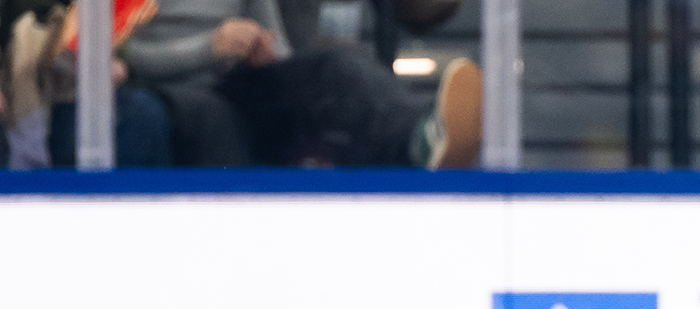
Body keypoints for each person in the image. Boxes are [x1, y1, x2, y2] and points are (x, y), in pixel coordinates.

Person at [119, 0, 478, 167]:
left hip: (237, 80)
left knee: (334, 71)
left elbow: (274, 37)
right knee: (214, 118)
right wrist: (208, 48)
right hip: (166, 89)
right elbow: (119, 55)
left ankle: (421, 138)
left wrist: (267, 52)